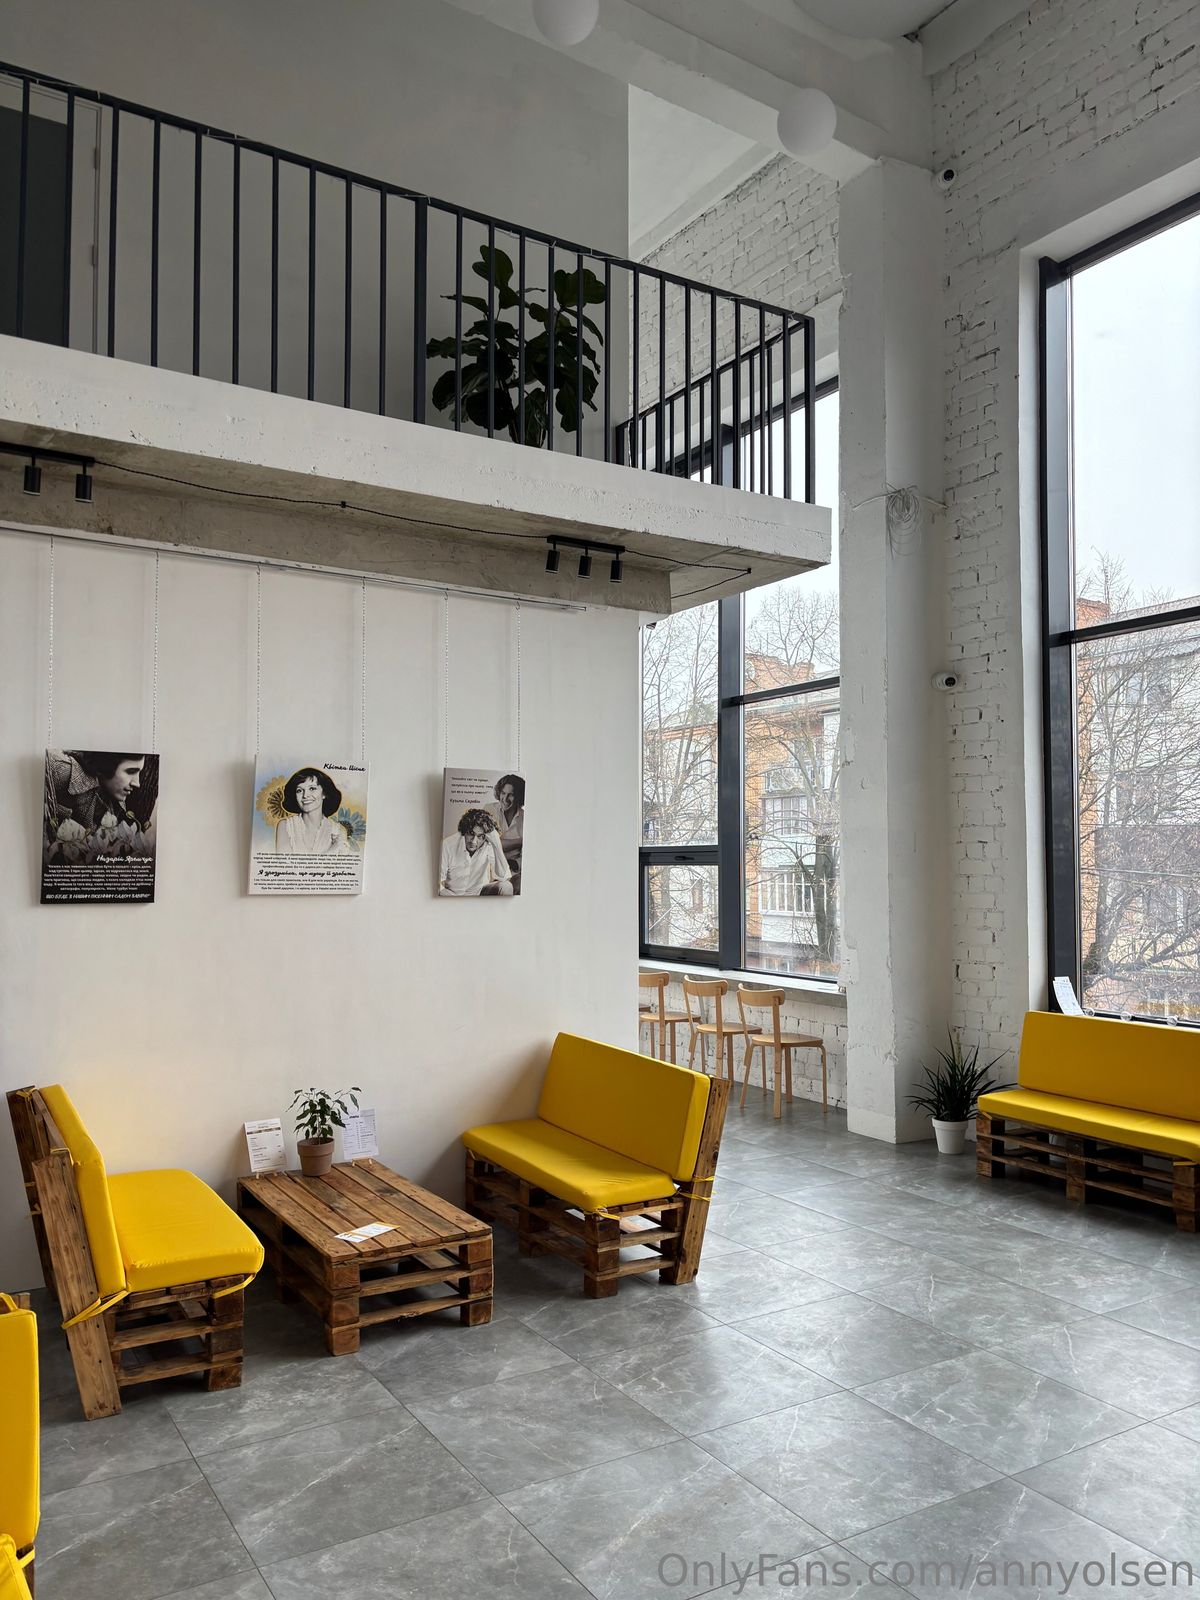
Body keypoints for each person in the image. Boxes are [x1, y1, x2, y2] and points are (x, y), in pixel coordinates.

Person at [45, 750, 154, 837]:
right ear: (107, 764)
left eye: (139, 773)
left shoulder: (115, 803)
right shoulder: (61, 769)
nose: (137, 783)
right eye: (131, 771)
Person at [440, 807, 513, 896]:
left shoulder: (488, 844)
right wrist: (454, 900)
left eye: (480, 836)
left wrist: (497, 844)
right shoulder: (448, 844)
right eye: (471, 834)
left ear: (486, 837)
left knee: (506, 886)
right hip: (453, 895)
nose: (474, 841)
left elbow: (503, 877)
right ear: (464, 831)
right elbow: (437, 883)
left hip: (479, 894)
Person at [275, 766, 347, 854]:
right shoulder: (285, 826)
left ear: (324, 793)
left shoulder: (339, 831)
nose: (305, 795)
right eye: (299, 790)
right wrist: (332, 850)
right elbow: (283, 862)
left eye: (312, 788)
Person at [488, 773, 525, 890]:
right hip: (489, 869)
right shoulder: (489, 810)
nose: (505, 799)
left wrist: (516, 864)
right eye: (503, 793)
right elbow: (492, 843)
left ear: (518, 796)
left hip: (514, 871)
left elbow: (529, 853)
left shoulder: (525, 818)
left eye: (511, 795)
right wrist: (521, 841)